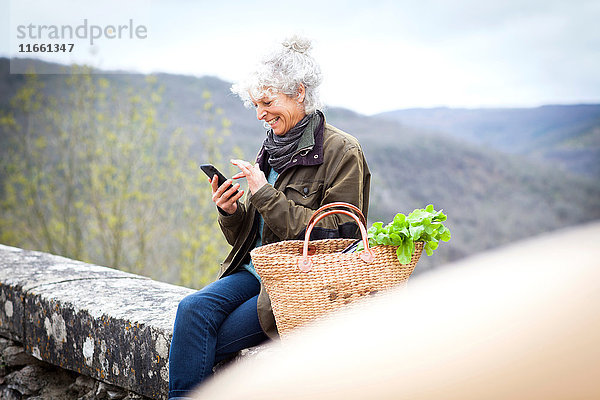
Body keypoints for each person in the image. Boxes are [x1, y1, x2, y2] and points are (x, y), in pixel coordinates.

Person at [168, 35, 371, 399]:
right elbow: (257, 235)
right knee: (192, 310)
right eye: (255, 104)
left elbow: (336, 241)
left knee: (203, 339)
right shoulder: (274, 145)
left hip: (296, 287)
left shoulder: (343, 151)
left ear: (298, 92)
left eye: (266, 102)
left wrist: (263, 193)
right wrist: (230, 212)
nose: (259, 114)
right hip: (254, 272)